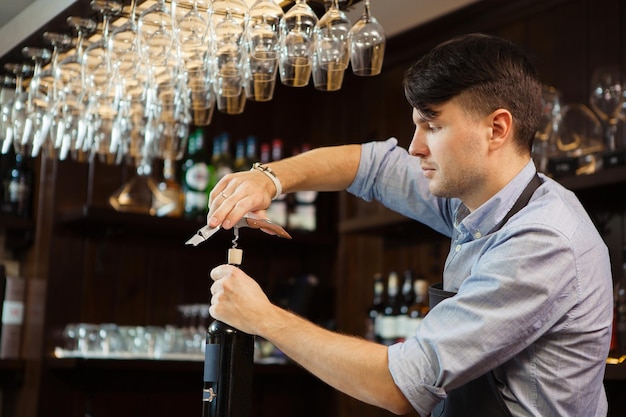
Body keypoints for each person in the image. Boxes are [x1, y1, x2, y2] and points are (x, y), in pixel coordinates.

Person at [204, 33, 613, 417]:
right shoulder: (472, 200)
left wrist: (263, 318)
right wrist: (268, 178)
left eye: (432, 126)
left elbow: (400, 386)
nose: (415, 146)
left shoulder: (544, 239)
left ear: (497, 129)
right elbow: (373, 166)